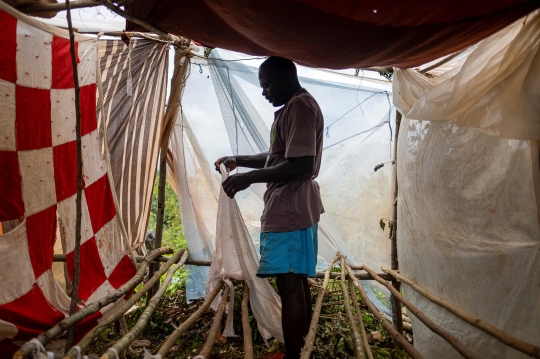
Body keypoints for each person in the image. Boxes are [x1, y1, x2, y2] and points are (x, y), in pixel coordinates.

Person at [214, 56, 324, 359]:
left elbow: (301, 164)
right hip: (297, 205)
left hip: (290, 207)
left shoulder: (300, 107)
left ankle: (293, 355)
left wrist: (250, 177)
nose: (264, 92)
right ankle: (301, 350)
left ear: (286, 78)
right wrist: (240, 160)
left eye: (267, 85)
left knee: (289, 283)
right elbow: (280, 156)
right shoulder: (292, 109)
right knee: (295, 279)